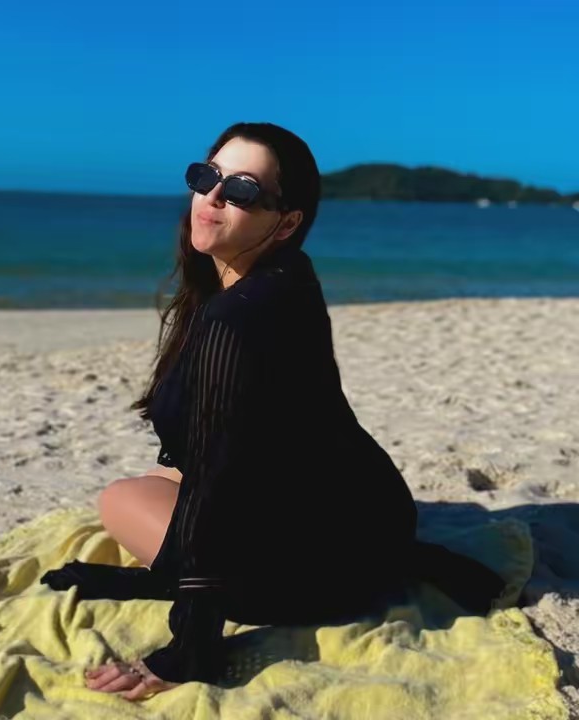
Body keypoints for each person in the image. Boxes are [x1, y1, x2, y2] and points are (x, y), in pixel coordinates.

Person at [40, 122, 506, 701]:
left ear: (286, 222)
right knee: (163, 477)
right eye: (207, 177)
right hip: (374, 519)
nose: (212, 197)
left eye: (241, 190)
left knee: (120, 498)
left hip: (319, 573)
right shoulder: (288, 277)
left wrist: (189, 648)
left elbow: (215, 486)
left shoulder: (233, 316)